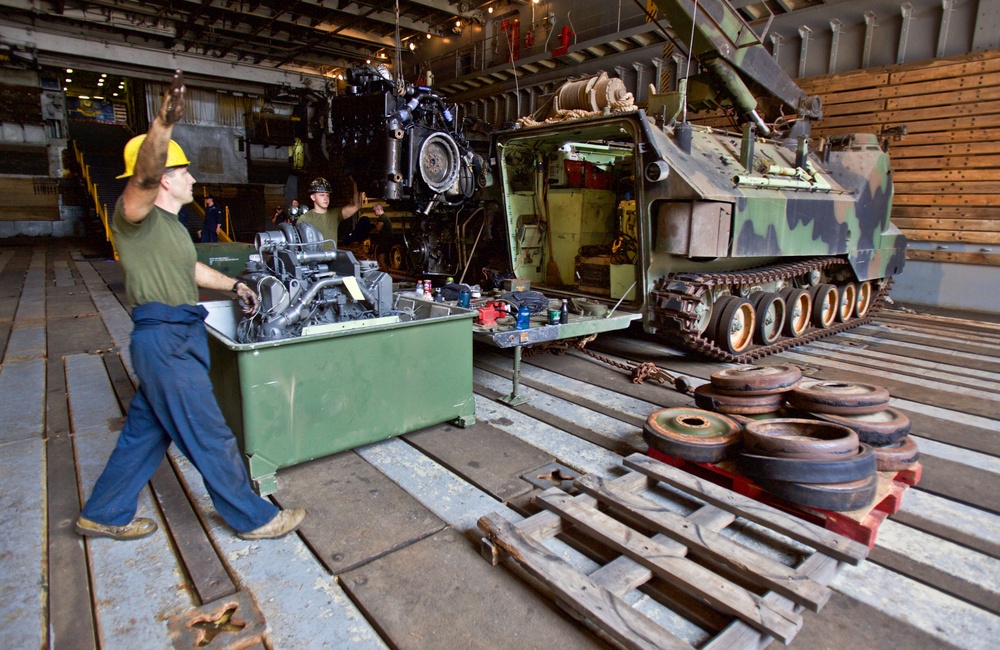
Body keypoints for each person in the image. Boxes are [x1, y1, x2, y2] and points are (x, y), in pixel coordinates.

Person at [75, 70, 305, 542]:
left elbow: (192, 272)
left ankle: (104, 512)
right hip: (166, 339)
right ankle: (254, 519)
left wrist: (235, 286)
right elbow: (142, 175)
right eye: (184, 171)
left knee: (145, 433)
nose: (193, 178)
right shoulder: (134, 217)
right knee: (210, 435)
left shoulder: (173, 228)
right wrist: (162, 124)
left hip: (176, 335)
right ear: (163, 179)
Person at [298, 176, 360, 249]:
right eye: (322, 195)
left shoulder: (335, 214)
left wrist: (355, 184)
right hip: (313, 259)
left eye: (327, 195)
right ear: (313, 197)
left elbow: (356, 205)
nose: (325, 198)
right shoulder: (304, 219)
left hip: (332, 258)